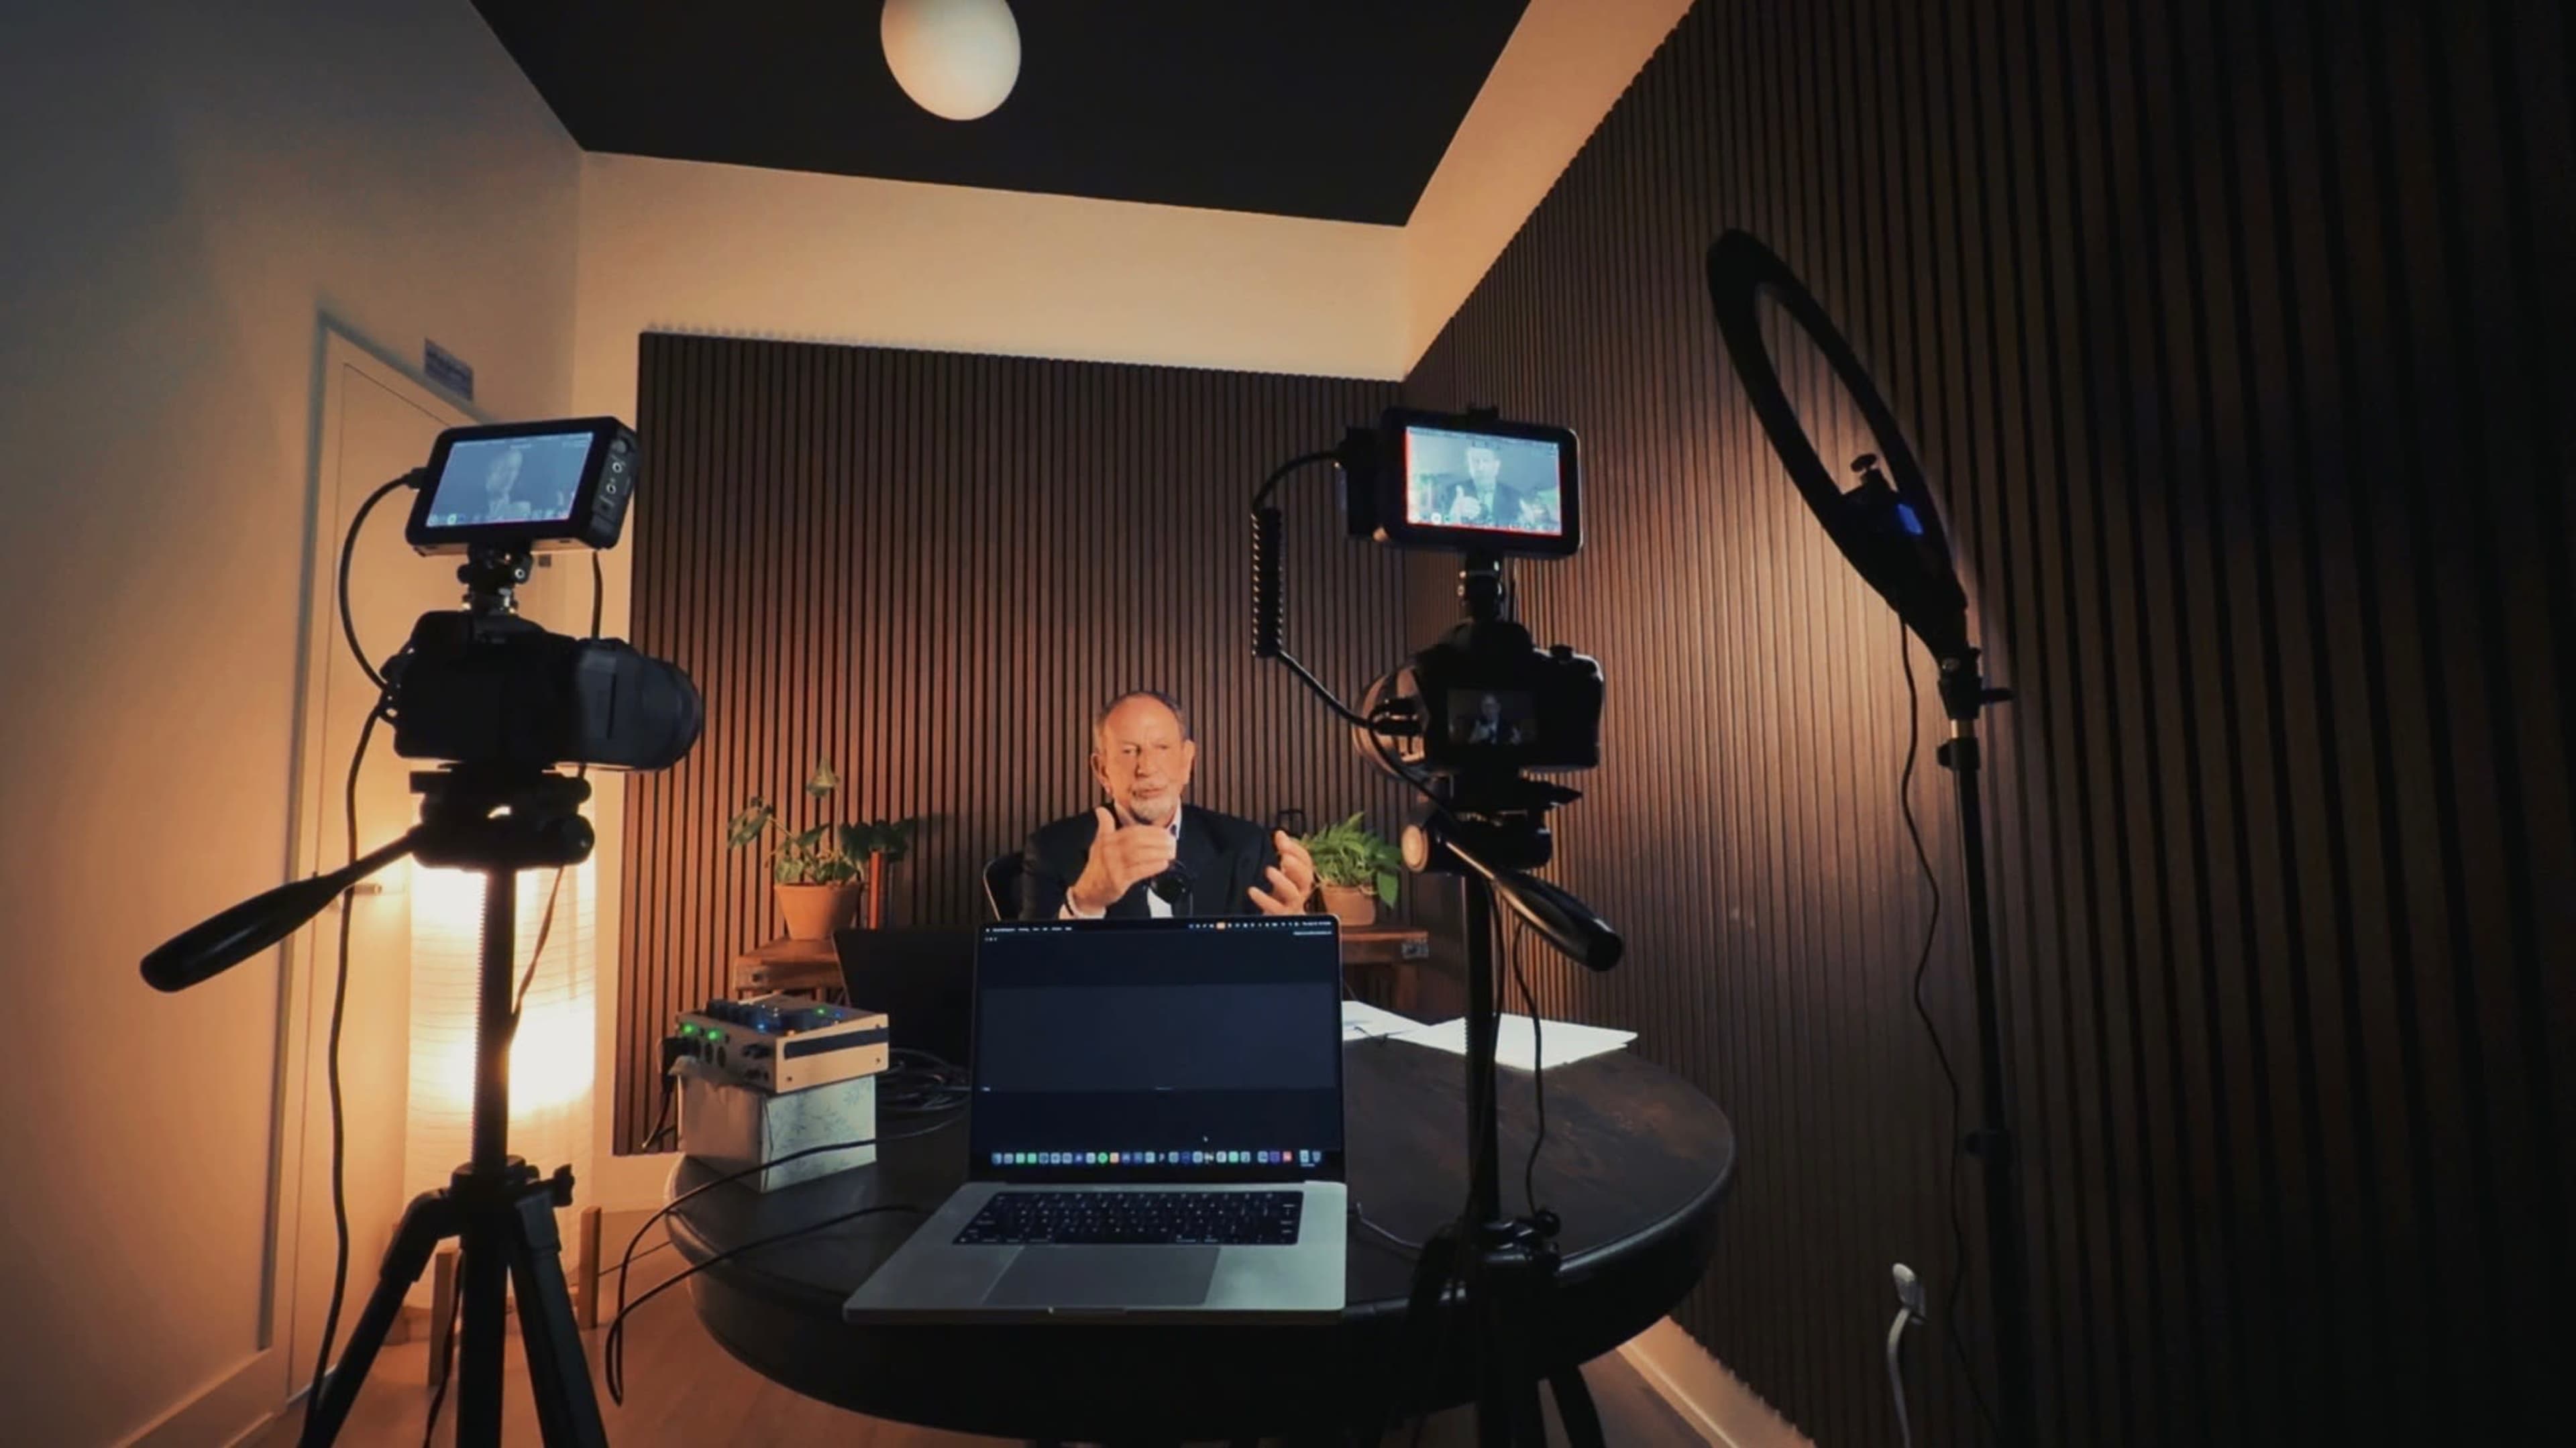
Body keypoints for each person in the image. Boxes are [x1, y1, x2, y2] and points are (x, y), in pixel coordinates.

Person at [1018, 690, 1318, 920]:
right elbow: (1029, 973)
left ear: (1187, 762)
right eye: (1129, 751)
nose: (1146, 768)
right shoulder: (1050, 849)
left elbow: (1268, 964)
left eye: (1162, 748)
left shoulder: (1245, 846)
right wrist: (1086, 902)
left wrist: (1291, 927)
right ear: (1102, 770)